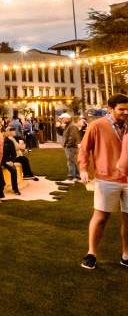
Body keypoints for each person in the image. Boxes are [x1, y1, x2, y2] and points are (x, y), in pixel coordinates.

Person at [79, 93, 128, 270]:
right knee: (100, 217)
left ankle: (126, 255)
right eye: (121, 109)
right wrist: (83, 169)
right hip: (106, 178)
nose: (125, 112)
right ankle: (91, 253)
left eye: (127, 109)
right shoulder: (97, 125)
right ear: (111, 109)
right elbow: (84, 149)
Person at [61, 114, 81, 184]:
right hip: (71, 146)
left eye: (63, 118)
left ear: (67, 118)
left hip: (71, 147)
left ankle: (71, 177)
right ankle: (77, 177)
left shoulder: (72, 126)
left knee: (70, 162)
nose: (62, 120)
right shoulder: (69, 125)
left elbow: (73, 137)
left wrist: (68, 145)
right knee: (73, 161)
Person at [2, 128, 22, 195]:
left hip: (8, 160)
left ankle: (15, 189)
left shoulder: (9, 141)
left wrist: (11, 161)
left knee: (13, 170)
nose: (4, 133)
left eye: (5, 132)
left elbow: (14, 154)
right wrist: (5, 161)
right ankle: (1, 187)